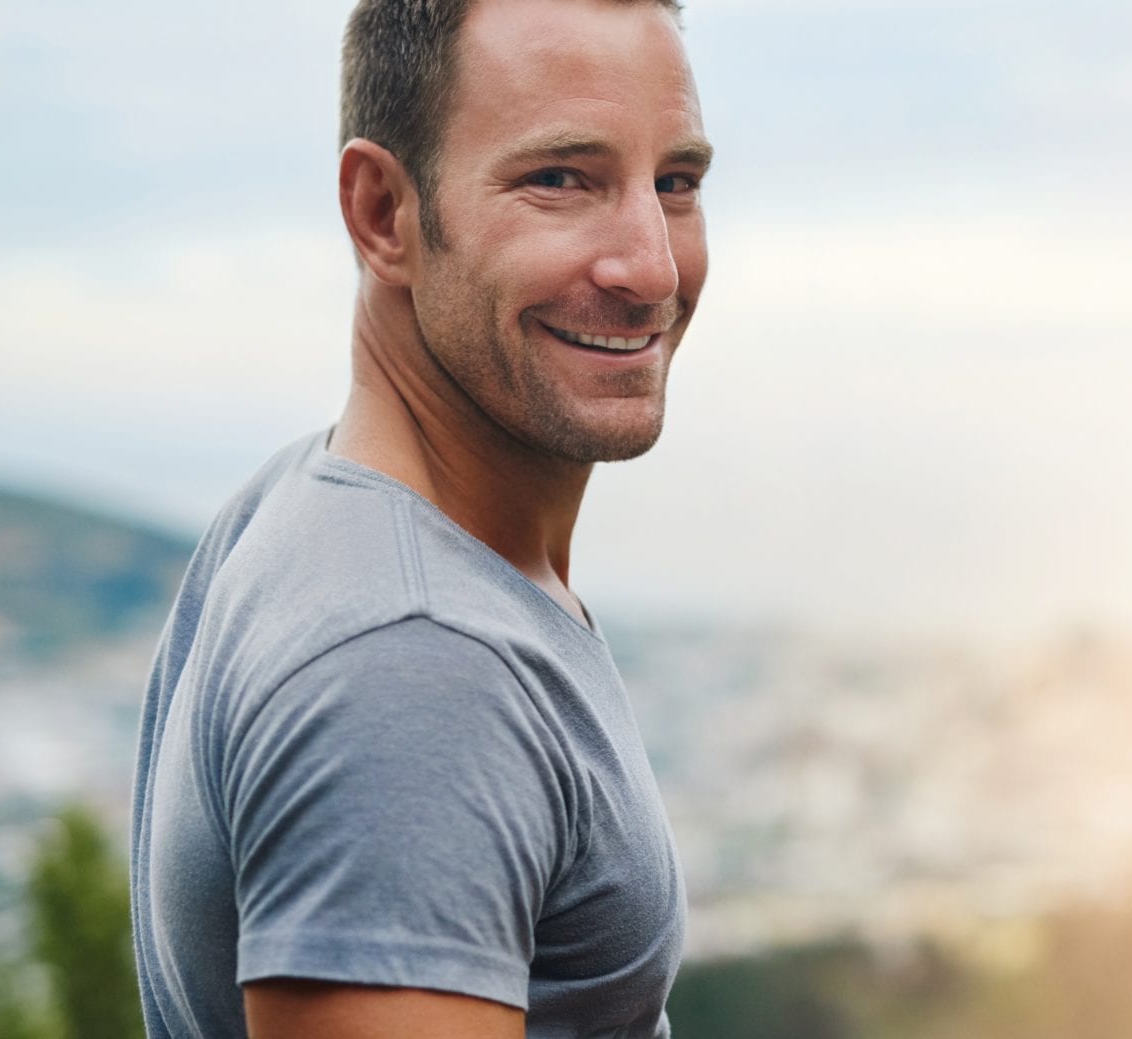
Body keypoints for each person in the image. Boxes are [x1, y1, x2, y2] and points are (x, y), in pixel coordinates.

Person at [128, 0, 711, 1034]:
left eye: (673, 183)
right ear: (383, 213)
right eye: (559, 179)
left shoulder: (312, 500)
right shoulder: (412, 665)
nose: (650, 268)